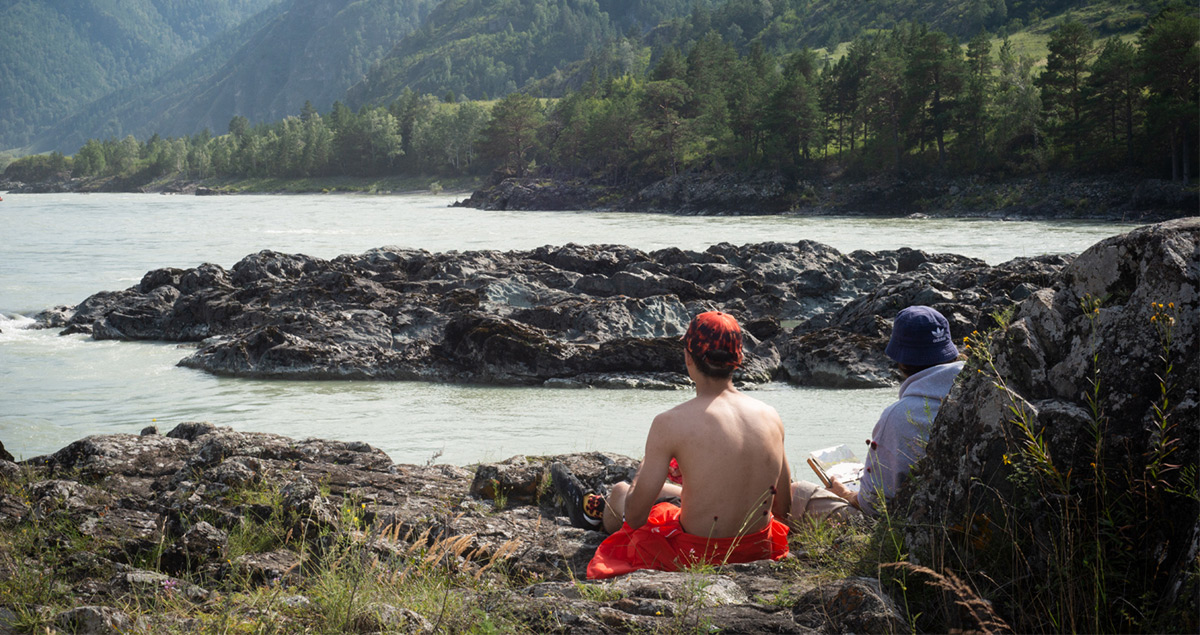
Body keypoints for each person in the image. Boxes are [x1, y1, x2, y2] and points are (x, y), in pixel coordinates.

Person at [550, 311, 792, 579]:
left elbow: (635, 517)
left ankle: (594, 516)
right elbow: (783, 509)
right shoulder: (771, 416)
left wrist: (644, 469)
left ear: (688, 357)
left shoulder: (671, 423)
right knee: (681, 494)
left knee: (620, 491)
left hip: (697, 553)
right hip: (759, 548)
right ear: (739, 359)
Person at [791, 305, 966, 521]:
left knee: (796, 492)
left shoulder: (899, 415)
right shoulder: (979, 388)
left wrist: (845, 493)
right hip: (969, 517)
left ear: (900, 360)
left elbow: (874, 504)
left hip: (910, 527)